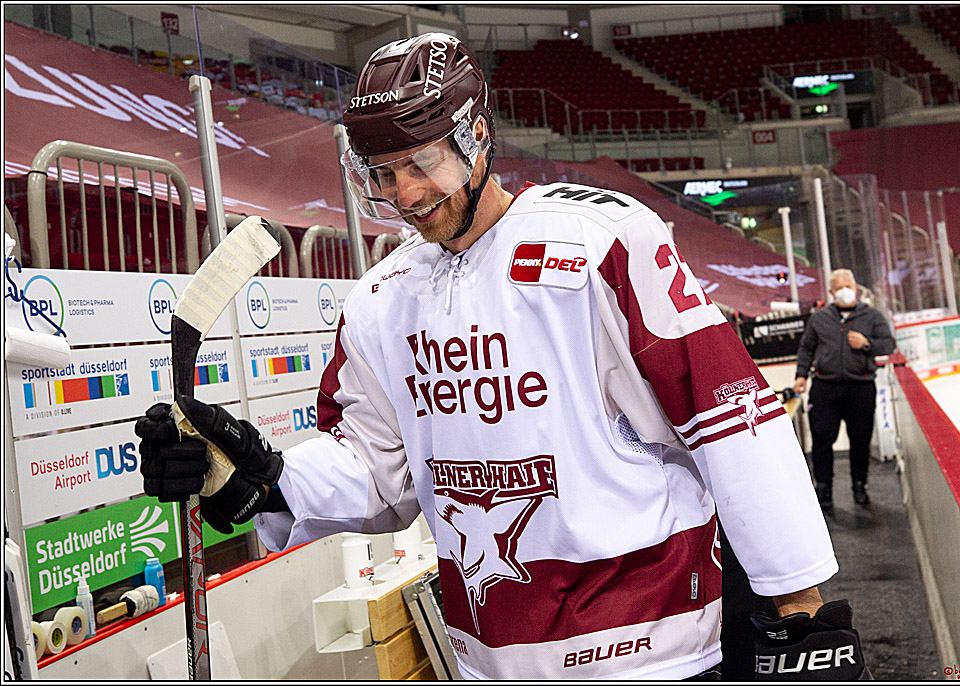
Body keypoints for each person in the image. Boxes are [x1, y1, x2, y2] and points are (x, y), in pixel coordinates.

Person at [137, 33, 866, 680]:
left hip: (655, 647)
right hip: (490, 654)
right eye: (383, 175)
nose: (406, 195)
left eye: (422, 164)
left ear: (477, 136)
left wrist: (798, 598)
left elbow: (726, 412)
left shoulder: (602, 242)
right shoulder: (379, 298)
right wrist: (270, 476)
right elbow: (376, 469)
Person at [795, 269, 896, 514]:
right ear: (831, 292)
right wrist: (801, 375)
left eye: (847, 285)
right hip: (825, 388)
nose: (844, 290)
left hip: (860, 387)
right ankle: (824, 488)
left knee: (860, 440)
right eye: (838, 287)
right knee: (821, 440)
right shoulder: (819, 319)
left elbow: (889, 344)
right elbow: (807, 348)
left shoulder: (871, 316)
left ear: (855, 288)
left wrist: (867, 344)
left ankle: (859, 485)